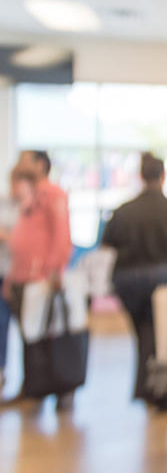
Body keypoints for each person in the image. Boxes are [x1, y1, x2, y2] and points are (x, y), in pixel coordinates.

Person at [102, 153, 167, 401]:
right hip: (163, 277)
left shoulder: (123, 211)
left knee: (144, 332)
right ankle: (155, 388)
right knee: (157, 332)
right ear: (163, 176)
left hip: (127, 279)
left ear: (141, 176)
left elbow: (106, 245)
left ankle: (147, 386)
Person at [3, 165, 74, 408]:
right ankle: (34, 387)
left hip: (41, 279)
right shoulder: (27, 202)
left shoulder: (52, 195)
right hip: (23, 278)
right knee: (30, 337)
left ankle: (62, 387)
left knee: (50, 335)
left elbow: (61, 236)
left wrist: (54, 269)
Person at [0, 172, 21, 393]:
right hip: (3, 270)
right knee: (2, 322)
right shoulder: (4, 203)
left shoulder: (29, 208)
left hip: (20, 274)